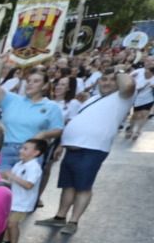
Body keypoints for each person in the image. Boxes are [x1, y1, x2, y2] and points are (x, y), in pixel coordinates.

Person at [37, 65, 137, 233]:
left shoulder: (123, 97)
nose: (106, 83)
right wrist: (62, 144)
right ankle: (60, 217)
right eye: (104, 79)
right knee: (68, 185)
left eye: (112, 80)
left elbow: (127, 85)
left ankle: (73, 222)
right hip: (72, 148)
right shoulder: (93, 98)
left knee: (83, 187)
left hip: (93, 149)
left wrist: (119, 71)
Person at [0, 60, 63, 171]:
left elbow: (58, 129)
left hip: (31, 152)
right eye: (29, 81)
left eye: (36, 81)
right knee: (2, 185)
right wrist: (0, 64)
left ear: (45, 86)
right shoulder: (12, 99)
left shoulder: (51, 106)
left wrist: (43, 134)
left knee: (23, 186)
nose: (30, 83)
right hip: (6, 150)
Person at [0, 138, 44, 243]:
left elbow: (29, 185)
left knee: (12, 223)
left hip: (23, 203)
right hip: (13, 200)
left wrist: (12, 176)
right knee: (6, 222)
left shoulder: (34, 167)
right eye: (22, 148)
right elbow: (10, 179)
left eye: (25, 148)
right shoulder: (19, 164)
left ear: (36, 153)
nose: (21, 150)